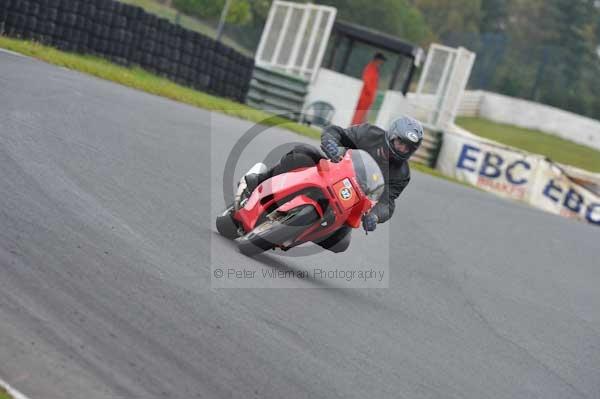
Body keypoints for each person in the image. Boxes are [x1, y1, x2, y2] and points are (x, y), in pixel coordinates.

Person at [237, 116, 424, 253]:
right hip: (332, 171)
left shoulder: (402, 174)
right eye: (401, 142)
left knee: (340, 243)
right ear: (392, 135)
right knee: (302, 153)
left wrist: (374, 216)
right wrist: (331, 143)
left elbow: (387, 202)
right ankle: (259, 180)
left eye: (408, 147)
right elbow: (337, 132)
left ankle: (291, 232)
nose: (403, 149)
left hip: (352, 202)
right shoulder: (369, 133)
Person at [351, 52, 387, 125]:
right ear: (377, 60)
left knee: (362, 119)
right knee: (357, 118)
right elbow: (367, 82)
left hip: (368, 99)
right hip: (364, 98)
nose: (381, 63)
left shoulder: (375, 70)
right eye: (381, 60)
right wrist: (371, 94)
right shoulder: (370, 68)